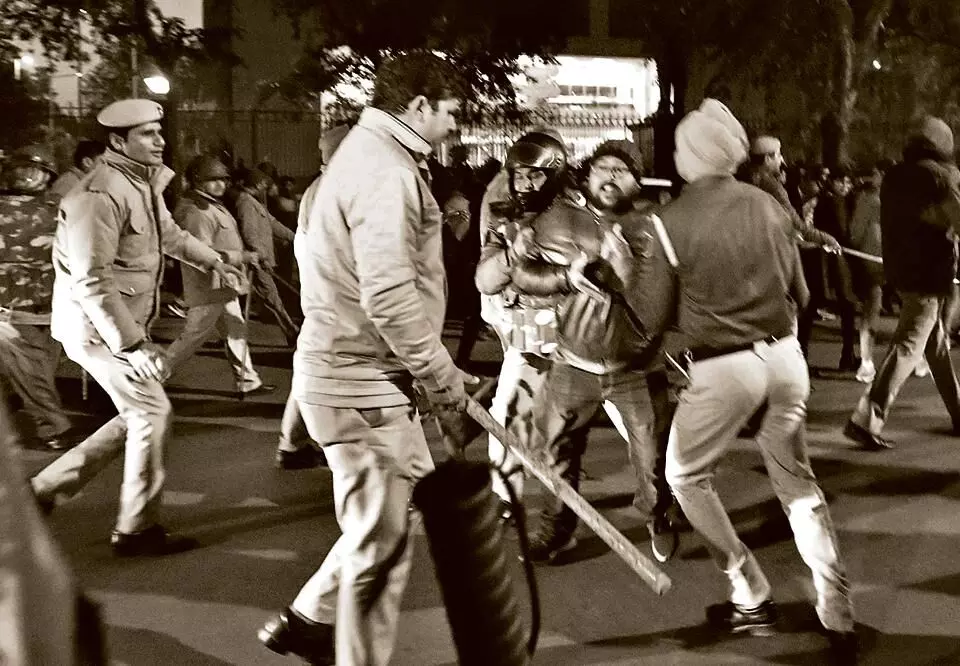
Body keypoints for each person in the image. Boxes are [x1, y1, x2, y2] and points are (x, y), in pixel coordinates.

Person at [257, 52, 470, 666]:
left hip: (358, 377)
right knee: (386, 543)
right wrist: (440, 373)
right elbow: (388, 294)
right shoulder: (384, 170)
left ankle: (310, 620)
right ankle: (340, 644)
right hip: (360, 382)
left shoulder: (369, 158)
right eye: (451, 111)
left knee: (383, 530)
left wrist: (428, 370)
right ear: (420, 104)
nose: (455, 125)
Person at [636, 99, 857, 663]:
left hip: (722, 366)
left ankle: (749, 590)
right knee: (797, 484)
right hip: (785, 357)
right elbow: (803, 296)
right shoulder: (768, 204)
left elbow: (650, 317)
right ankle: (837, 609)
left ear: (690, 154)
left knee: (684, 476)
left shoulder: (668, 220)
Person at [39, 99, 244, 556]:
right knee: (153, 413)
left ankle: (46, 489)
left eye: (158, 131)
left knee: (138, 413)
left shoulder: (139, 184)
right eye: (147, 134)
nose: (160, 140)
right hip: (98, 329)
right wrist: (133, 345)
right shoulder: (100, 195)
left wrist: (216, 261)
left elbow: (168, 235)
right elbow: (93, 279)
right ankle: (136, 529)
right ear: (117, 141)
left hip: (116, 325)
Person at [511, 139, 679, 564]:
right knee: (557, 451)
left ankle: (657, 512)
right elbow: (524, 275)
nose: (611, 175)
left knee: (652, 453)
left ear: (637, 184)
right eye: (603, 167)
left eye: (622, 170)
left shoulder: (654, 227)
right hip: (572, 364)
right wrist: (566, 275)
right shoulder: (557, 220)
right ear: (586, 176)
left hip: (637, 368)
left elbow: (662, 303)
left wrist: (624, 273)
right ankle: (557, 529)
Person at [474, 129, 586, 519]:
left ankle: (665, 488)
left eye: (534, 175)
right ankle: (508, 497)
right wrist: (510, 254)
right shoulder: (505, 215)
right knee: (507, 410)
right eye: (518, 175)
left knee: (622, 410)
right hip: (532, 327)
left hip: (581, 331)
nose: (524, 185)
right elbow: (485, 279)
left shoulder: (578, 213)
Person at [845, 116, 960, 451]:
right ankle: (866, 418)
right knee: (909, 346)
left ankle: (958, 413)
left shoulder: (895, 175)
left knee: (934, 347)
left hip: (902, 270)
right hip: (931, 272)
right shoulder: (943, 176)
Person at [164, 155, 274, 396]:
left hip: (223, 284)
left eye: (223, 180)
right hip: (208, 286)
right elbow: (202, 251)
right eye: (212, 180)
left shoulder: (212, 205)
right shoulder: (197, 212)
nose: (221, 185)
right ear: (197, 181)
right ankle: (151, 377)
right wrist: (242, 257)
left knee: (237, 330)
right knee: (192, 338)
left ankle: (248, 380)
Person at [0, 144, 78, 451]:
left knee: (36, 370)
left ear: (48, 175)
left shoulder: (61, 206)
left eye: (36, 170)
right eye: (22, 169)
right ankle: (54, 427)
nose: (27, 176)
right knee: (34, 374)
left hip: (55, 304)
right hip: (11, 307)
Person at [234, 168, 300, 346]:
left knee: (264, 297)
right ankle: (292, 331)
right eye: (264, 183)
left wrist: (296, 238)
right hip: (256, 262)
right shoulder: (246, 203)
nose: (266, 187)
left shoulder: (254, 202)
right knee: (271, 297)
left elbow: (272, 224)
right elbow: (249, 234)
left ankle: (291, 331)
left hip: (259, 259)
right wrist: (261, 257)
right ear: (258, 184)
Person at [847, 164, 887, 383]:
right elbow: (856, 233)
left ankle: (867, 362)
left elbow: (855, 233)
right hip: (874, 261)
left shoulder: (870, 199)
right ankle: (866, 362)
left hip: (879, 260)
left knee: (873, 310)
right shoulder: (869, 200)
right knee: (872, 310)